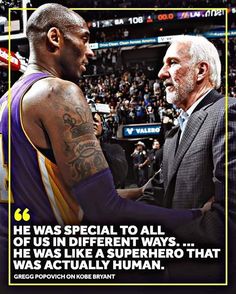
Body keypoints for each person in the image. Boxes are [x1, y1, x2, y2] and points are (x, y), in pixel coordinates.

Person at [120, 35, 236, 282]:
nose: (161, 73)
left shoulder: (226, 112)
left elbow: (230, 216)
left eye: (172, 62)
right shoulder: (174, 134)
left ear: (200, 71)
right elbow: (153, 195)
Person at [92, 111, 128, 188]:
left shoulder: (114, 149)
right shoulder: (73, 152)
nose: (92, 123)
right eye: (88, 121)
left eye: (95, 121)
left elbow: (120, 175)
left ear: (103, 126)